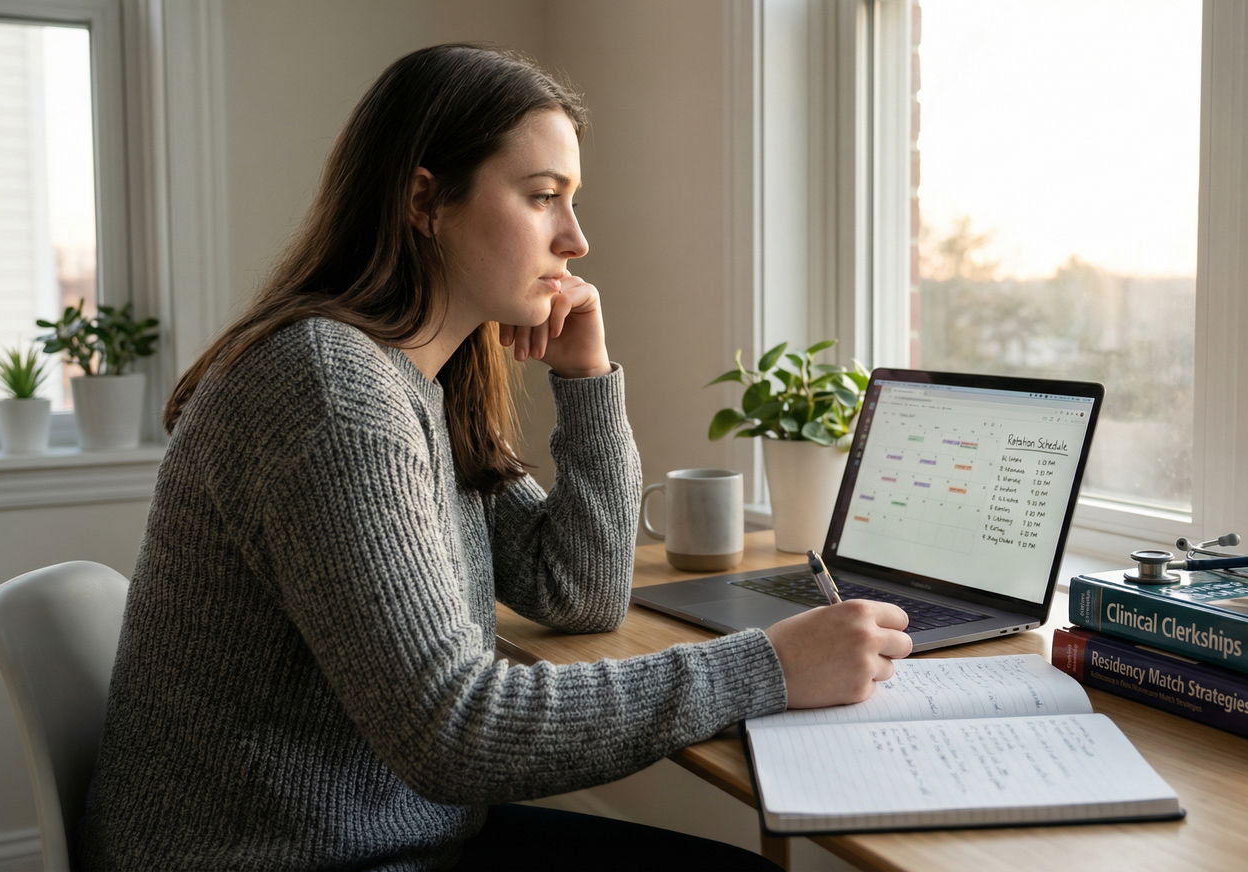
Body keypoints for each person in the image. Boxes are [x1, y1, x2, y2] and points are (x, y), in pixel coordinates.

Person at [76, 43, 912, 871]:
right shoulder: (331, 393)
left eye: (571, 201)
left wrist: (587, 379)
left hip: (395, 837)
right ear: (425, 201)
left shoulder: (418, 385)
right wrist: (767, 666)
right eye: (543, 197)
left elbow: (577, 591)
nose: (576, 240)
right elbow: (454, 730)